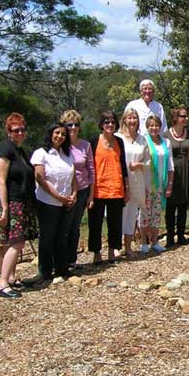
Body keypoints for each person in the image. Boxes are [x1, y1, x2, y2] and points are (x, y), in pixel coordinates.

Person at [0, 113, 38, 298]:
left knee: (15, 241)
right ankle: (2, 284)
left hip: (24, 201)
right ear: (9, 131)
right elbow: (1, 181)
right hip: (13, 202)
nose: (20, 132)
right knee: (17, 241)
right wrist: (5, 208)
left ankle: (11, 277)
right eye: (15, 130)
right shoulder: (5, 150)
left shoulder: (20, 151)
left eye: (22, 129)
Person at [31, 123, 77, 279]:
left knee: (62, 235)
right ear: (51, 134)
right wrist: (58, 197)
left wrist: (74, 194)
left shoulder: (68, 154)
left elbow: (73, 177)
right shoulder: (41, 153)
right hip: (47, 201)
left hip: (66, 201)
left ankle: (61, 268)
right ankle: (45, 270)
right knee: (48, 236)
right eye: (57, 133)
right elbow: (40, 178)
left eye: (63, 134)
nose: (60, 136)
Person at [88, 111, 129, 264]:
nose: (110, 125)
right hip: (98, 189)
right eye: (106, 122)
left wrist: (127, 187)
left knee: (115, 222)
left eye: (112, 122)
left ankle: (113, 251)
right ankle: (96, 254)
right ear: (101, 124)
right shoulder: (92, 141)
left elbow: (123, 165)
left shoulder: (119, 141)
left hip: (116, 188)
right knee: (95, 223)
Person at [60, 110, 95, 268]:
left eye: (76, 125)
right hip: (63, 191)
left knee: (75, 226)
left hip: (82, 189)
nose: (73, 127)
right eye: (69, 125)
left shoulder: (85, 145)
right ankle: (60, 260)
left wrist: (91, 195)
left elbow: (91, 169)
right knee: (63, 225)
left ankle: (71, 260)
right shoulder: (60, 144)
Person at [116, 108, 147, 257]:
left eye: (135, 118)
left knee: (132, 214)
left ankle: (128, 247)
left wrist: (139, 165)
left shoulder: (142, 139)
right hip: (119, 182)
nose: (132, 121)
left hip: (137, 181)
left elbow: (148, 161)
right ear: (124, 120)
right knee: (118, 214)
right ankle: (116, 247)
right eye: (129, 118)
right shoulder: (117, 137)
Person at [140, 115, 174, 252]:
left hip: (161, 183)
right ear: (147, 127)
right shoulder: (143, 141)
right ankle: (143, 242)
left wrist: (170, 185)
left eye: (156, 125)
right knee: (144, 214)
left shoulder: (166, 142)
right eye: (151, 126)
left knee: (156, 214)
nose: (154, 128)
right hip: (146, 184)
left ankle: (154, 242)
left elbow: (170, 165)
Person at [164, 107, 189, 247]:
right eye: (183, 116)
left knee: (183, 204)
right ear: (175, 118)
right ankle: (170, 236)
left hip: (187, 171)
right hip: (172, 171)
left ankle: (181, 235)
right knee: (170, 205)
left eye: (186, 116)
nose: (186, 118)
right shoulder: (166, 135)